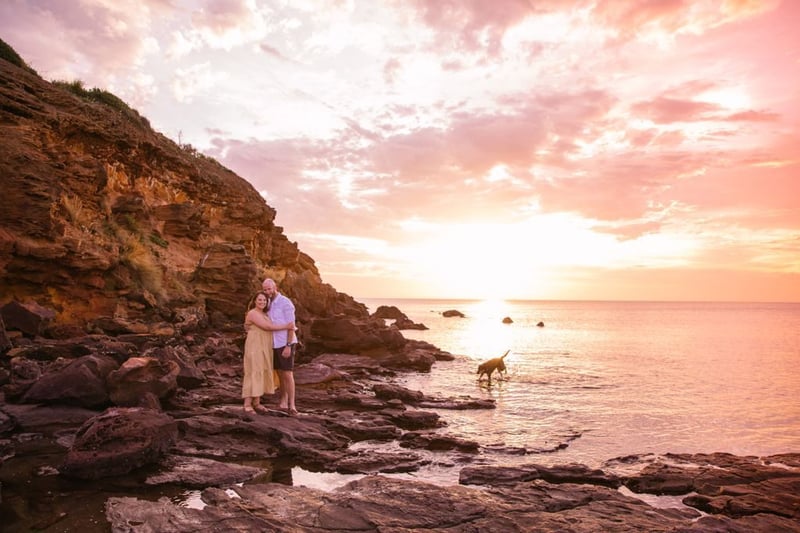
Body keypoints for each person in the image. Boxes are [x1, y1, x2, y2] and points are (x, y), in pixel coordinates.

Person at [242, 291, 293, 414]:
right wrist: (287, 326)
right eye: (259, 300)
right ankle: (247, 404)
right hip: (254, 346)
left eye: (264, 300)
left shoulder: (264, 313)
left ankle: (257, 402)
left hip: (264, 346)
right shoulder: (253, 313)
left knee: (261, 371)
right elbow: (267, 327)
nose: (262, 302)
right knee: (253, 371)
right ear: (255, 301)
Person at [262, 278, 298, 415]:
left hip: (285, 342)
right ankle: (283, 401)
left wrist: (288, 345)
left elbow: (291, 326)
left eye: (269, 289)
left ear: (275, 287)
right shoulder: (267, 303)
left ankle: (292, 405)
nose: (267, 292)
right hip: (273, 343)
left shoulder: (285, 303)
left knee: (288, 373)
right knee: (279, 373)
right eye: (265, 289)